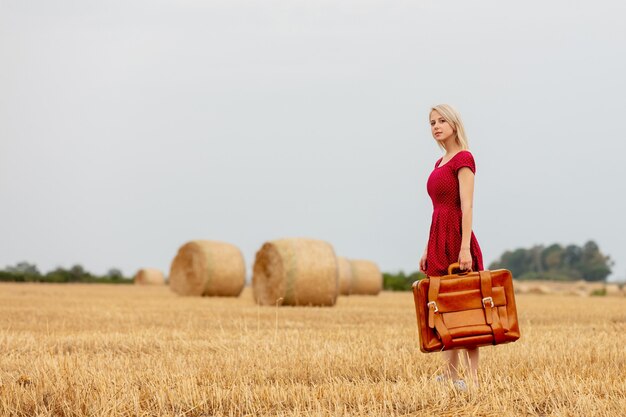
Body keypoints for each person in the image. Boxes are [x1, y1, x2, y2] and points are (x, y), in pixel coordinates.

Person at [418, 104, 484, 391]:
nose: (436, 126)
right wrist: (425, 248)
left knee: (466, 311)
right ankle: (450, 375)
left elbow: (466, 206)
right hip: (437, 238)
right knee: (443, 310)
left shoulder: (464, 158)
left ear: (454, 124)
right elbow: (436, 209)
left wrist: (465, 248)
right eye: (432, 122)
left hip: (458, 238)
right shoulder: (439, 162)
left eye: (442, 120)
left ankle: (473, 380)